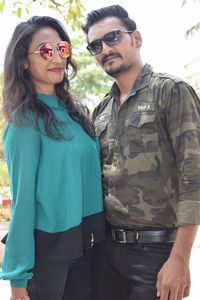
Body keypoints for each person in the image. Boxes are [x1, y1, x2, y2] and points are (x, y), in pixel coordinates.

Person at [82, 4, 200, 300]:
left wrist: (180, 259)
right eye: (96, 45)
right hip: (106, 251)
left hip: (157, 252)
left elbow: (194, 175)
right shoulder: (101, 110)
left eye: (113, 38)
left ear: (136, 38)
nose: (105, 49)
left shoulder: (170, 91)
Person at [0, 15, 105, 300]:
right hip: (47, 259)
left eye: (62, 49)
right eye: (45, 51)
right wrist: (17, 277)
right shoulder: (24, 122)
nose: (56, 57)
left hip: (86, 246)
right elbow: (22, 203)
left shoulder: (76, 112)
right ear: (23, 61)